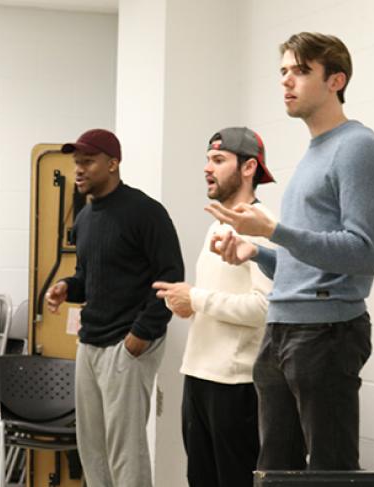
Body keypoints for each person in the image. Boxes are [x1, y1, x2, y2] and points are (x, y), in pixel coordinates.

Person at [207, 32, 374, 471]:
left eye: (301, 71)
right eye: (284, 71)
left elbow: (365, 252)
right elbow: (302, 263)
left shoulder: (358, 147)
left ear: (336, 80)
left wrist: (275, 229)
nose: (287, 81)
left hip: (326, 334)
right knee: (275, 470)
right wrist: (255, 251)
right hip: (281, 330)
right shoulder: (312, 153)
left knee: (330, 470)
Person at [45, 129, 184, 487]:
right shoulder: (87, 219)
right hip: (90, 343)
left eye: (88, 162)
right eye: (76, 162)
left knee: (126, 451)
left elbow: (171, 278)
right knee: (92, 448)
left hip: (127, 344)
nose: (79, 169)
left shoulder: (145, 212)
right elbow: (87, 277)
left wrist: (139, 337)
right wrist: (66, 288)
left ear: (113, 164)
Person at [153, 127, 275, 487]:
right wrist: (191, 305)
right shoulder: (217, 224)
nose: (208, 168)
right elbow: (218, 299)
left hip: (235, 385)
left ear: (249, 167)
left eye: (219, 160)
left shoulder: (262, 226)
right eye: (208, 159)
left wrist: (198, 298)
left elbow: (264, 308)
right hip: (198, 376)